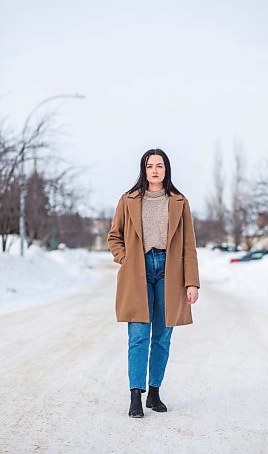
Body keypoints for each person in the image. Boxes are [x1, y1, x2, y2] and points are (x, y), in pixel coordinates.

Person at [107, 148, 200, 418]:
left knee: (162, 335)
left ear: (166, 169)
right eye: (150, 166)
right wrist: (126, 259)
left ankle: (155, 392)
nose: (155, 170)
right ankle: (136, 395)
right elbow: (115, 236)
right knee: (138, 334)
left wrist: (191, 281)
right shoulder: (129, 200)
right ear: (143, 170)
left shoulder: (179, 201)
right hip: (138, 270)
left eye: (159, 165)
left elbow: (190, 246)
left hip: (170, 272)